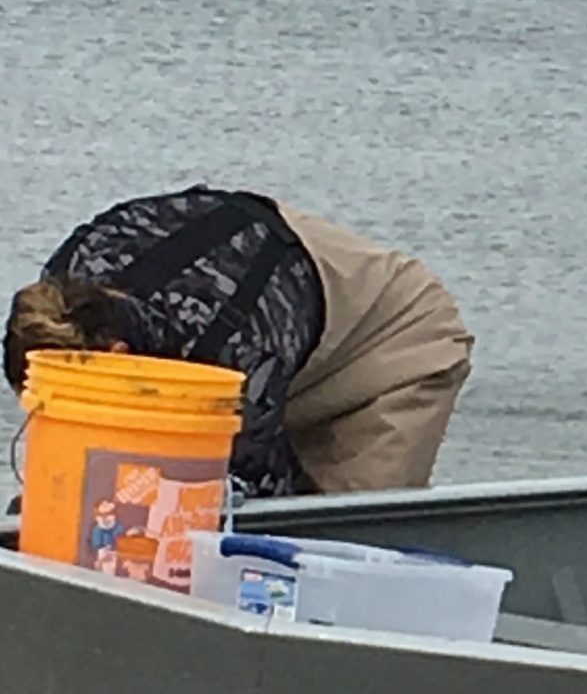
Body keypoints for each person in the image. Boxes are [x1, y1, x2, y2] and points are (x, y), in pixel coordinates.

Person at [6, 185, 475, 498]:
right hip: (284, 316)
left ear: (119, 357)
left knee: (334, 542)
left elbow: (263, 501)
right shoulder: (61, 288)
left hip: (392, 342)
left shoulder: (229, 349)